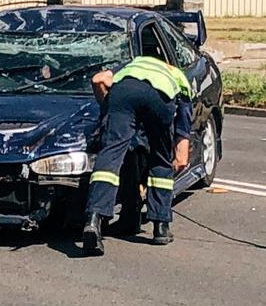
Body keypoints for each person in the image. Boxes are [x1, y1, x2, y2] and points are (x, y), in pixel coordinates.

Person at [82, 55, 194, 256]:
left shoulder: (132, 65)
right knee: (160, 159)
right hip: (161, 98)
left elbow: (98, 80)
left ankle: (93, 220)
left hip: (124, 94)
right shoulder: (179, 76)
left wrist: (108, 111)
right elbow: (183, 125)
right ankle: (161, 227)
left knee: (110, 156)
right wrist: (179, 154)